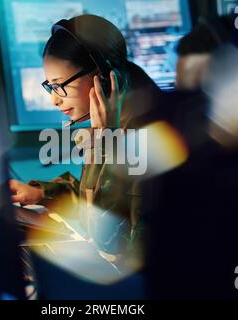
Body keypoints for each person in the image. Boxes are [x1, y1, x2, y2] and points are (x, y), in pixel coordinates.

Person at [10, 14, 162, 271]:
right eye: (50, 86)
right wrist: (41, 192)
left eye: (60, 86)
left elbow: (113, 243)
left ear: (103, 77)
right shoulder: (113, 121)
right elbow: (91, 193)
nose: (54, 101)